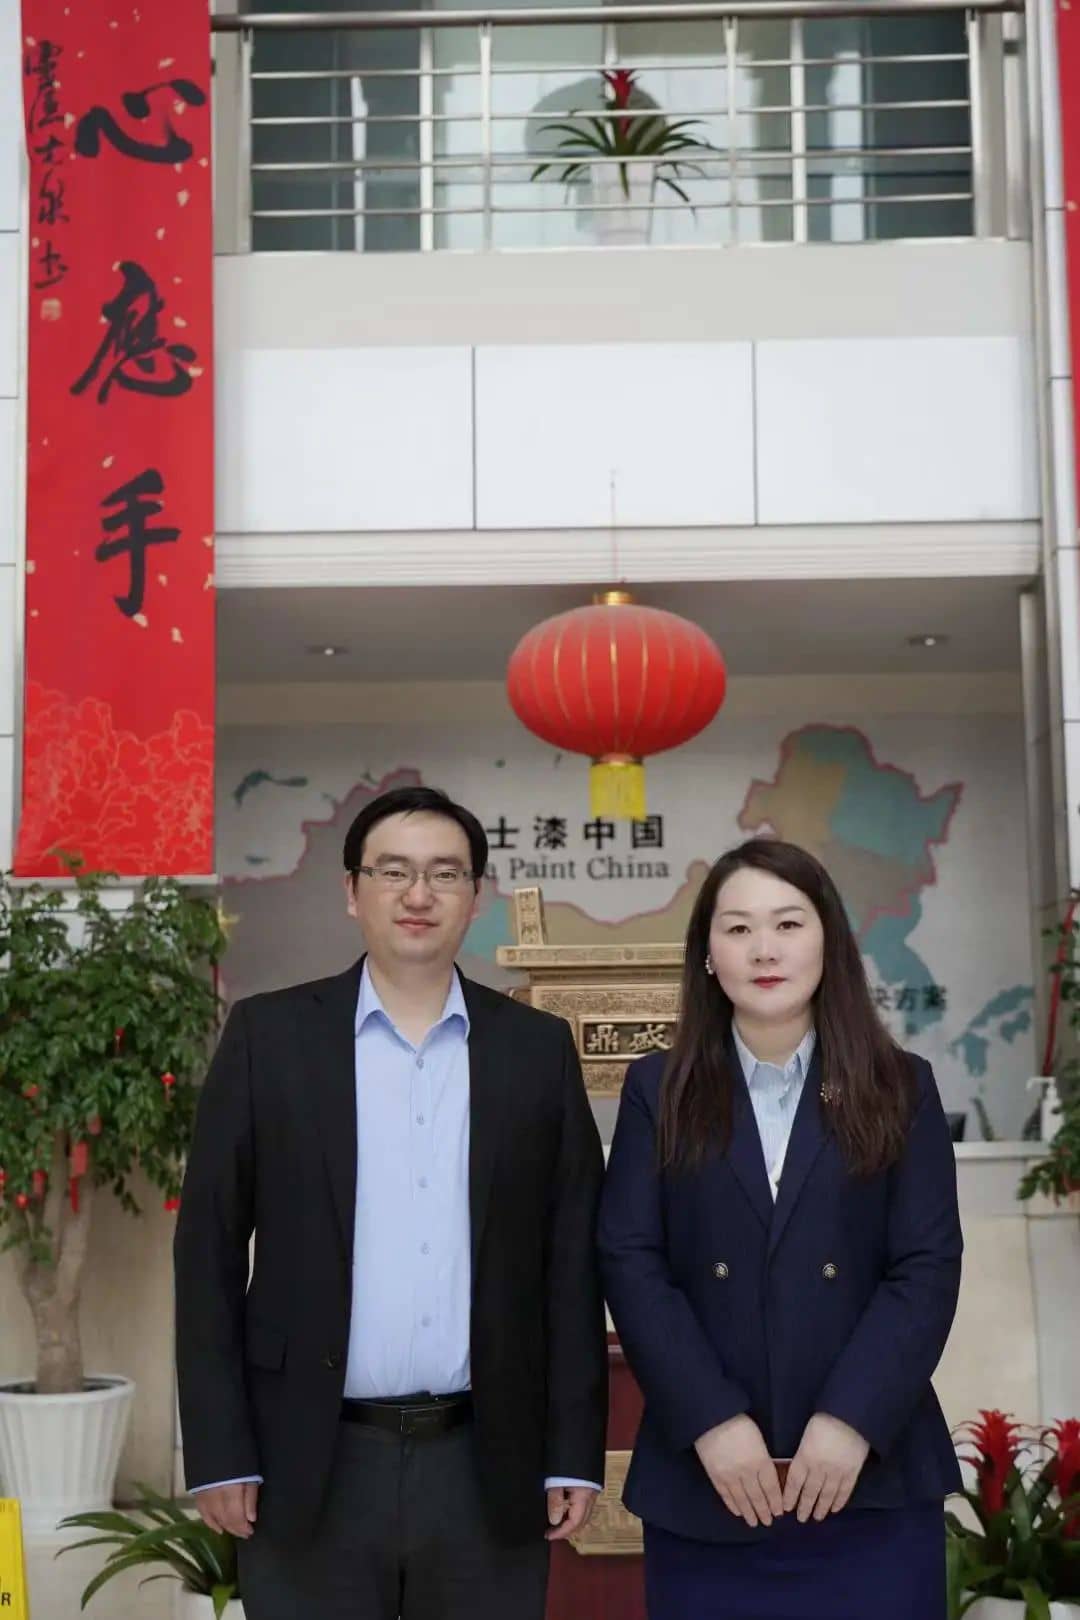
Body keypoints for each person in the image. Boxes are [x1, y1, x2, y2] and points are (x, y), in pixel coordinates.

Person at [175, 785, 608, 1620]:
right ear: (352, 890)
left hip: (486, 1461)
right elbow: (208, 1253)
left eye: (445, 874)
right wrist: (221, 1450)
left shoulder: (535, 1049)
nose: (418, 894)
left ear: (475, 897)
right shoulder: (269, 1038)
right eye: (393, 871)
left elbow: (571, 1261)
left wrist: (572, 1452)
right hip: (309, 1459)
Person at [598, 837, 963, 1620]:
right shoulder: (657, 1088)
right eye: (737, 929)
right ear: (707, 956)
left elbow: (925, 1266)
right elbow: (631, 1259)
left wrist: (852, 1418)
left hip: (870, 1479)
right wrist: (710, 1419)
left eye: (788, 924)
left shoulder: (901, 1086)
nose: (764, 949)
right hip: (710, 1483)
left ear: (829, 941)